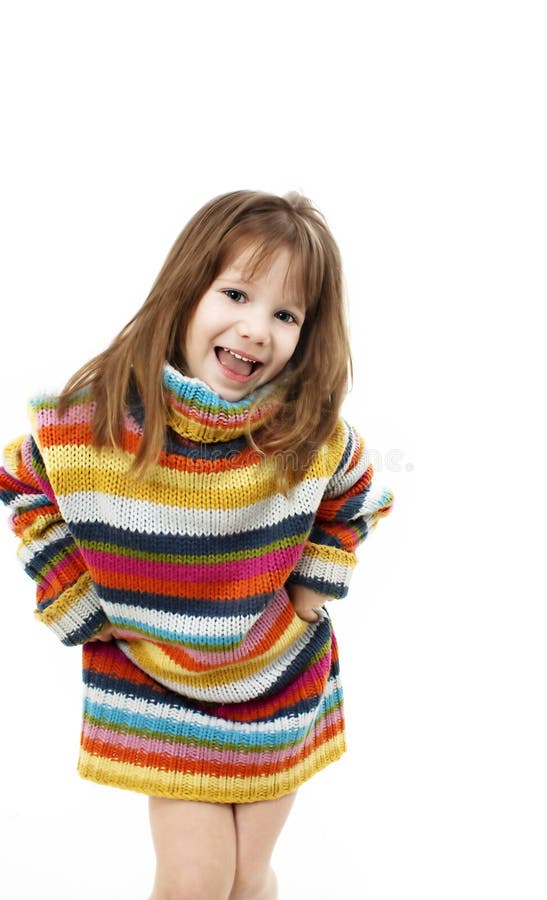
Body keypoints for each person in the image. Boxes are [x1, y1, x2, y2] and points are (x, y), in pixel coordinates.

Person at [0, 190, 393, 900]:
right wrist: (75, 600)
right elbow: (20, 482)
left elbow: (359, 491)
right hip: (161, 685)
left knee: (246, 878)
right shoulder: (93, 421)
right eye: (236, 294)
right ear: (187, 291)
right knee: (195, 881)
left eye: (284, 315)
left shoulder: (305, 435)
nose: (254, 330)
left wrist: (312, 586)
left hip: (277, 680)